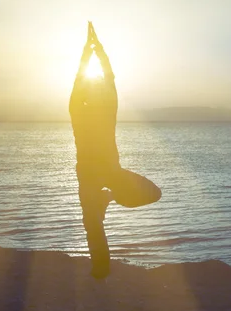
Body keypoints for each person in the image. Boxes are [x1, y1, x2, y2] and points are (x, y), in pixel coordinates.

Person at [69, 22, 162, 279]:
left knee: (151, 194)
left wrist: (90, 51)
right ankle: (100, 271)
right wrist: (97, 49)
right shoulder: (90, 109)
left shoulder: (87, 109)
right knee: (93, 224)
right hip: (98, 172)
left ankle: (109, 199)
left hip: (104, 172)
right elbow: (104, 78)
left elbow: (92, 79)